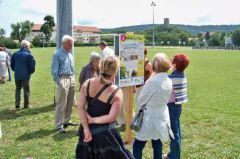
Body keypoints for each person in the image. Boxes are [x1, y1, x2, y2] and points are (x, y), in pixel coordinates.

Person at [76, 56, 134, 159]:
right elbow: (111, 117)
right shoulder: (116, 91)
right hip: (106, 135)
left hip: (87, 132)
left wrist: (86, 128)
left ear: (100, 67)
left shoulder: (87, 83)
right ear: (116, 70)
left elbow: (80, 107)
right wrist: (92, 120)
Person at [133, 53, 174, 159]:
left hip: (149, 116)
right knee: (157, 142)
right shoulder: (169, 80)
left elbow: (141, 99)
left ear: (155, 66)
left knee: (138, 144)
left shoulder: (152, 82)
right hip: (162, 114)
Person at [164, 54, 190, 159]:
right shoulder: (182, 75)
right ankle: (173, 154)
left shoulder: (172, 78)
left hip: (171, 107)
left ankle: (174, 156)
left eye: (172, 61)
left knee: (174, 134)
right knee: (177, 131)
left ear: (174, 64)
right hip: (178, 107)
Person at [51, 35, 78, 133]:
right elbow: (54, 70)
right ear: (65, 43)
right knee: (61, 102)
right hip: (63, 79)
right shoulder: (57, 54)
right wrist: (59, 81)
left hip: (71, 77)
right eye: (70, 43)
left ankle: (67, 120)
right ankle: (59, 124)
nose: (72, 45)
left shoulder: (70, 54)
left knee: (70, 101)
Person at [10, 40, 36, 109]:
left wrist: (16, 71)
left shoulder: (15, 54)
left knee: (18, 89)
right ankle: (26, 105)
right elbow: (32, 67)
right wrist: (30, 72)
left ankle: (17, 104)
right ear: (26, 46)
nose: (29, 48)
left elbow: (12, 65)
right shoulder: (29, 55)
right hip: (26, 76)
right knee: (26, 90)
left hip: (17, 75)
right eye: (29, 47)